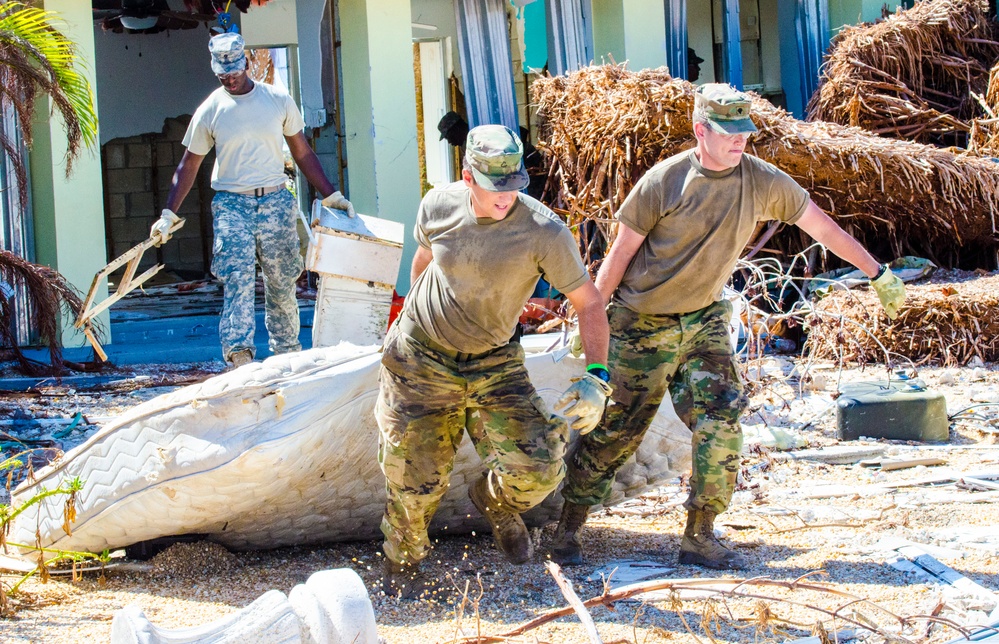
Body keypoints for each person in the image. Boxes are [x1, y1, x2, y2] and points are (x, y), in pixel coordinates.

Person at [552, 84, 906, 570]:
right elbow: (617, 258)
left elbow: (824, 228)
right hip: (640, 323)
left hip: (704, 321)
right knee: (618, 430)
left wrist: (877, 272)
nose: (740, 141)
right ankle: (569, 523)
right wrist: (593, 321)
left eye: (745, 132)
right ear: (701, 131)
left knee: (721, 419)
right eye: (728, 132)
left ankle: (700, 533)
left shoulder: (763, 181)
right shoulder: (665, 182)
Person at [377, 124, 611, 599]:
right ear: (468, 177)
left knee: (540, 471)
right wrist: (401, 323)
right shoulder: (438, 205)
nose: (506, 197)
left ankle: (493, 499)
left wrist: (597, 376)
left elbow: (589, 303)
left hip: (494, 362)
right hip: (422, 360)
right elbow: (424, 262)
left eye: (513, 186)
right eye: (493, 187)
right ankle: (403, 564)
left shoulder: (543, 231)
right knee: (414, 480)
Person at [148, 32, 353, 368]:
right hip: (232, 205)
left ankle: (287, 352)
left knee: (282, 278)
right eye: (222, 74)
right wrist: (169, 212)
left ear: (245, 63)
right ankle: (239, 353)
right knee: (237, 277)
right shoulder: (211, 109)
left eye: (234, 71)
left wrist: (331, 195)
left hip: (275, 201)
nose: (229, 78)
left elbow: (301, 152)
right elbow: (190, 163)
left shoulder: (277, 100)